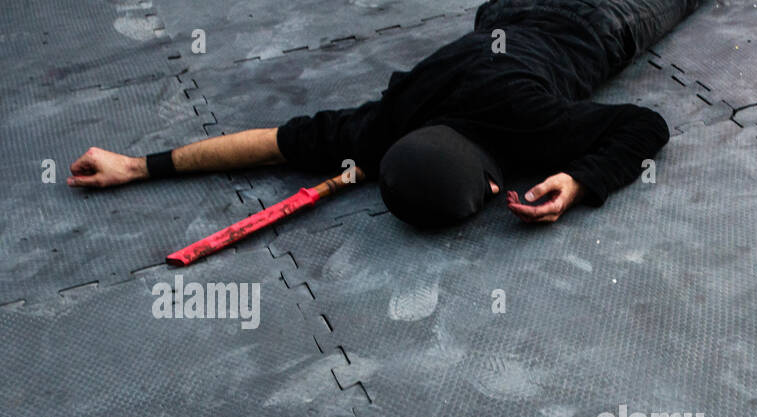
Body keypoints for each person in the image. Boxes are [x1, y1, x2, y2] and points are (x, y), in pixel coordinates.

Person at [66, 0, 706, 226]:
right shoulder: (379, 129)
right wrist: (134, 165)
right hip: (504, 13)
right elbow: (270, 144)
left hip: (602, 18)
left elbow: (645, 126)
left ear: (493, 183)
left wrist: (577, 179)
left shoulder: (535, 126)